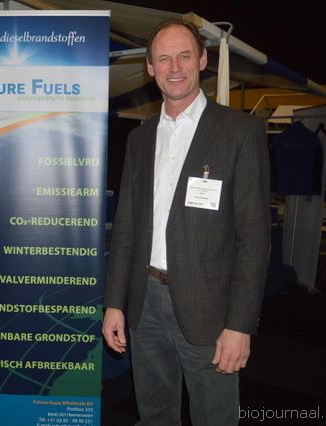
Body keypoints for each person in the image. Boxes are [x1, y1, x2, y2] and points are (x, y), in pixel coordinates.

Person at [102, 19, 270, 425]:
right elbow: (125, 229)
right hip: (145, 304)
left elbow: (254, 238)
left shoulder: (240, 131)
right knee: (155, 415)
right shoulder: (140, 139)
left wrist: (240, 325)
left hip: (210, 311)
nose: (174, 67)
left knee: (216, 417)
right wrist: (114, 303)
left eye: (184, 56)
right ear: (150, 68)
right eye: (163, 59)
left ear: (202, 60)